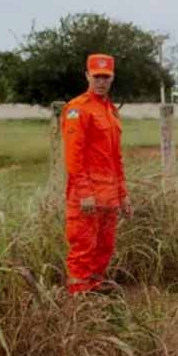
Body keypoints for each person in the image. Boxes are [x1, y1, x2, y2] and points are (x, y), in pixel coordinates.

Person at [62, 54, 131, 295]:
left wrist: (123, 195)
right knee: (83, 250)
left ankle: (95, 292)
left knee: (104, 249)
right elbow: (74, 156)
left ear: (112, 78)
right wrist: (84, 193)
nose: (101, 81)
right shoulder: (77, 109)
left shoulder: (111, 111)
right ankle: (79, 306)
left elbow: (116, 158)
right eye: (97, 76)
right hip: (87, 195)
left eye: (106, 77)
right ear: (87, 76)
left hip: (109, 194)